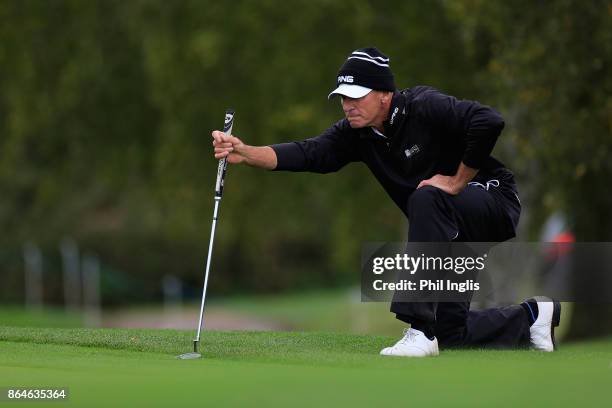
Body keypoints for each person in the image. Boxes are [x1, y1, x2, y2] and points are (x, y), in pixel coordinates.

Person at [211, 47, 560, 357]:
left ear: (383, 94)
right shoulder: (357, 135)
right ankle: (532, 317)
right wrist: (246, 152)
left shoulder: (423, 105)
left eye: (356, 96)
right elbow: (310, 153)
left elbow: (488, 120)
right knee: (452, 333)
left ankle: (419, 329)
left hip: (492, 200)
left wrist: (456, 181)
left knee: (425, 197)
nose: (348, 104)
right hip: (448, 232)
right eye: (343, 97)